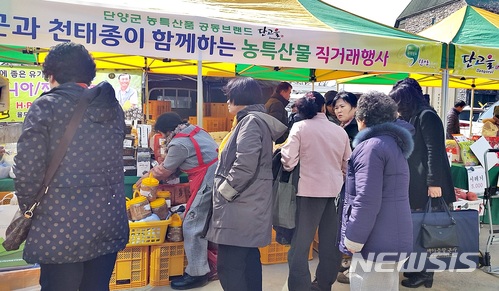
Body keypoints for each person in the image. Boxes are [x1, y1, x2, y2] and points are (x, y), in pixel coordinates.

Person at [13, 42, 129, 291]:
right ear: (89, 74)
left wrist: (29, 208)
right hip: (107, 221)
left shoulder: (47, 106)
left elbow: (26, 171)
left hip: (59, 226)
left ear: (51, 75)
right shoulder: (113, 108)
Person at [206, 77, 286, 291]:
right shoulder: (253, 120)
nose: (227, 103)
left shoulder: (250, 122)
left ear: (239, 98)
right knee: (248, 260)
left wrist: (225, 192)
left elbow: (245, 164)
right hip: (249, 204)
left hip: (240, 206)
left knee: (229, 266)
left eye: (229, 98)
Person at [339, 91, 414, 291]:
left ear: (362, 119)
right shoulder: (393, 144)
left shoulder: (370, 148)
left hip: (375, 238)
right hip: (393, 234)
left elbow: (366, 200)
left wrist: (353, 238)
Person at [135, 112, 218, 289]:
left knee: (192, 224)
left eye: (162, 134)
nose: (163, 138)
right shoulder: (195, 130)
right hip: (214, 177)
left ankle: (198, 274)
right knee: (205, 222)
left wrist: (145, 177)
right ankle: (211, 264)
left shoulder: (179, 143)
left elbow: (165, 170)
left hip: (206, 179)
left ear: (166, 131)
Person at [281, 91, 351, 291]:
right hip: (335, 192)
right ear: (323, 107)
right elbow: (348, 164)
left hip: (307, 192)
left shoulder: (300, 127)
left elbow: (288, 161)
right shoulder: (339, 131)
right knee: (331, 243)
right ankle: (323, 284)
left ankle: (300, 286)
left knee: (300, 245)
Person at [389, 78, 456, 288]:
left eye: (399, 101)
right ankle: (416, 268)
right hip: (416, 181)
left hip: (428, 183)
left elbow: (433, 151)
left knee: (428, 227)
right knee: (417, 225)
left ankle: (426, 274)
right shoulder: (413, 116)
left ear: (408, 99)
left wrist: (434, 183)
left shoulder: (428, 116)